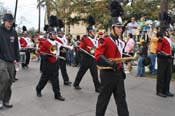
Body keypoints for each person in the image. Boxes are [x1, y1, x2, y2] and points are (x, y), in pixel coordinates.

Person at [95, 21, 129, 116]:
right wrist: (110, 63)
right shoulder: (106, 40)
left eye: (121, 28)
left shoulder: (121, 42)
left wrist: (122, 70)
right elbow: (98, 55)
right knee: (103, 100)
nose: (120, 29)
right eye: (118, 27)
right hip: (107, 74)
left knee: (121, 100)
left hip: (118, 75)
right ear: (113, 28)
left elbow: (119, 57)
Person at [36, 31, 65, 101]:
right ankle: (38, 89)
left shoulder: (56, 42)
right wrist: (45, 55)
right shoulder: (46, 42)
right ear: (50, 35)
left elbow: (60, 49)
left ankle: (57, 94)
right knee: (44, 78)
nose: (55, 35)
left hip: (55, 63)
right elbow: (41, 52)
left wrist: (62, 50)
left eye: (56, 34)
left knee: (55, 79)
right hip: (48, 64)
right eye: (54, 34)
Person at [0, 13, 20, 109]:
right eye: (8, 22)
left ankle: (6, 100)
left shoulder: (14, 32)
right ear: (4, 21)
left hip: (11, 60)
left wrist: (18, 59)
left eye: (11, 22)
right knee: (5, 78)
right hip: (1, 59)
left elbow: (16, 46)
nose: (10, 24)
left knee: (10, 81)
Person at [73, 27, 101, 92]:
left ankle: (97, 87)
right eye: (93, 31)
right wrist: (82, 49)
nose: (94, 32)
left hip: (93, 59)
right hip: (86, 58)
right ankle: (76, 83)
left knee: (95, 73)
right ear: (89, 32)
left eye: (94, 31)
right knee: (81, 72)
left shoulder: (97, 40)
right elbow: (80, 48)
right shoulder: (85, 39)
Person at [156, 31, 174, 97]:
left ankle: (166, 90)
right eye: (167, 31)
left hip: (168, 59)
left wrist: (169, 55)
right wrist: (167, 55)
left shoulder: (168, 39)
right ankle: (160, 91)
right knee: (161, 76)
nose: (169, 32)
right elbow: (158, 50)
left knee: (168, 76)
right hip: (162, 59)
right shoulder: (161, 39)